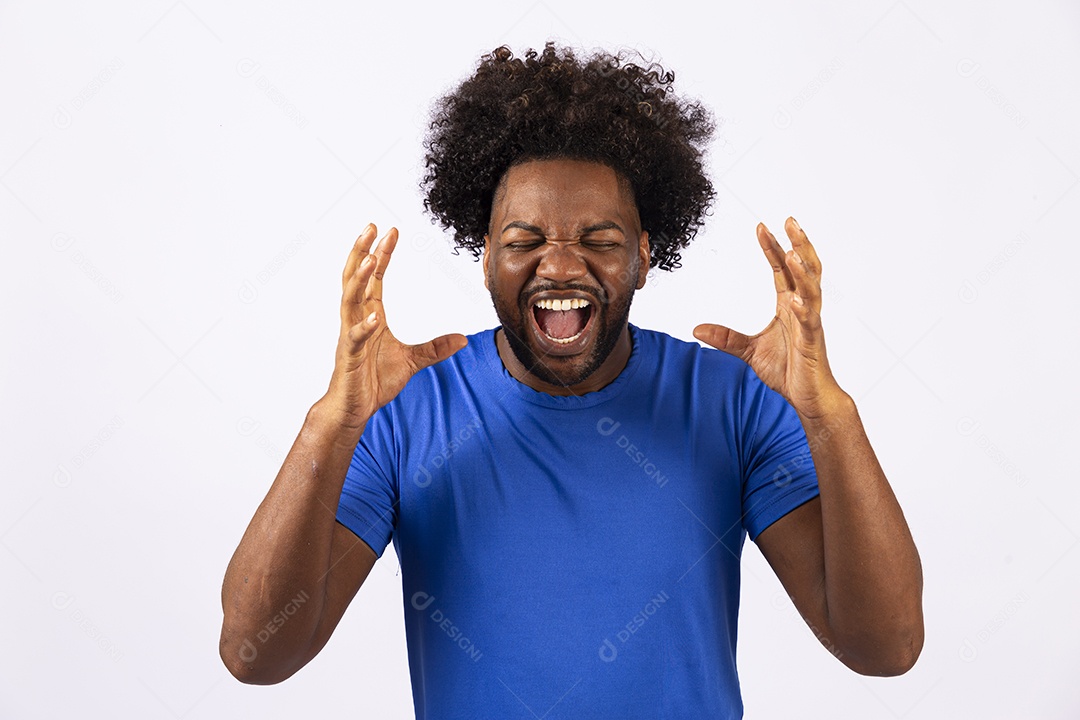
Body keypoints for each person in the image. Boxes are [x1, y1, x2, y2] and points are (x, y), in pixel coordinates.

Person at [219, 42, 923, 718]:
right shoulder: (404, 415)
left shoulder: (730, 403)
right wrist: (331, 425)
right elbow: (257, 655)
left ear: (645, 256)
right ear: (487, 257)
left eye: (599, 241)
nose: (559, 266)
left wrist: (830, 413)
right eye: (525, 242)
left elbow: (886, 646)